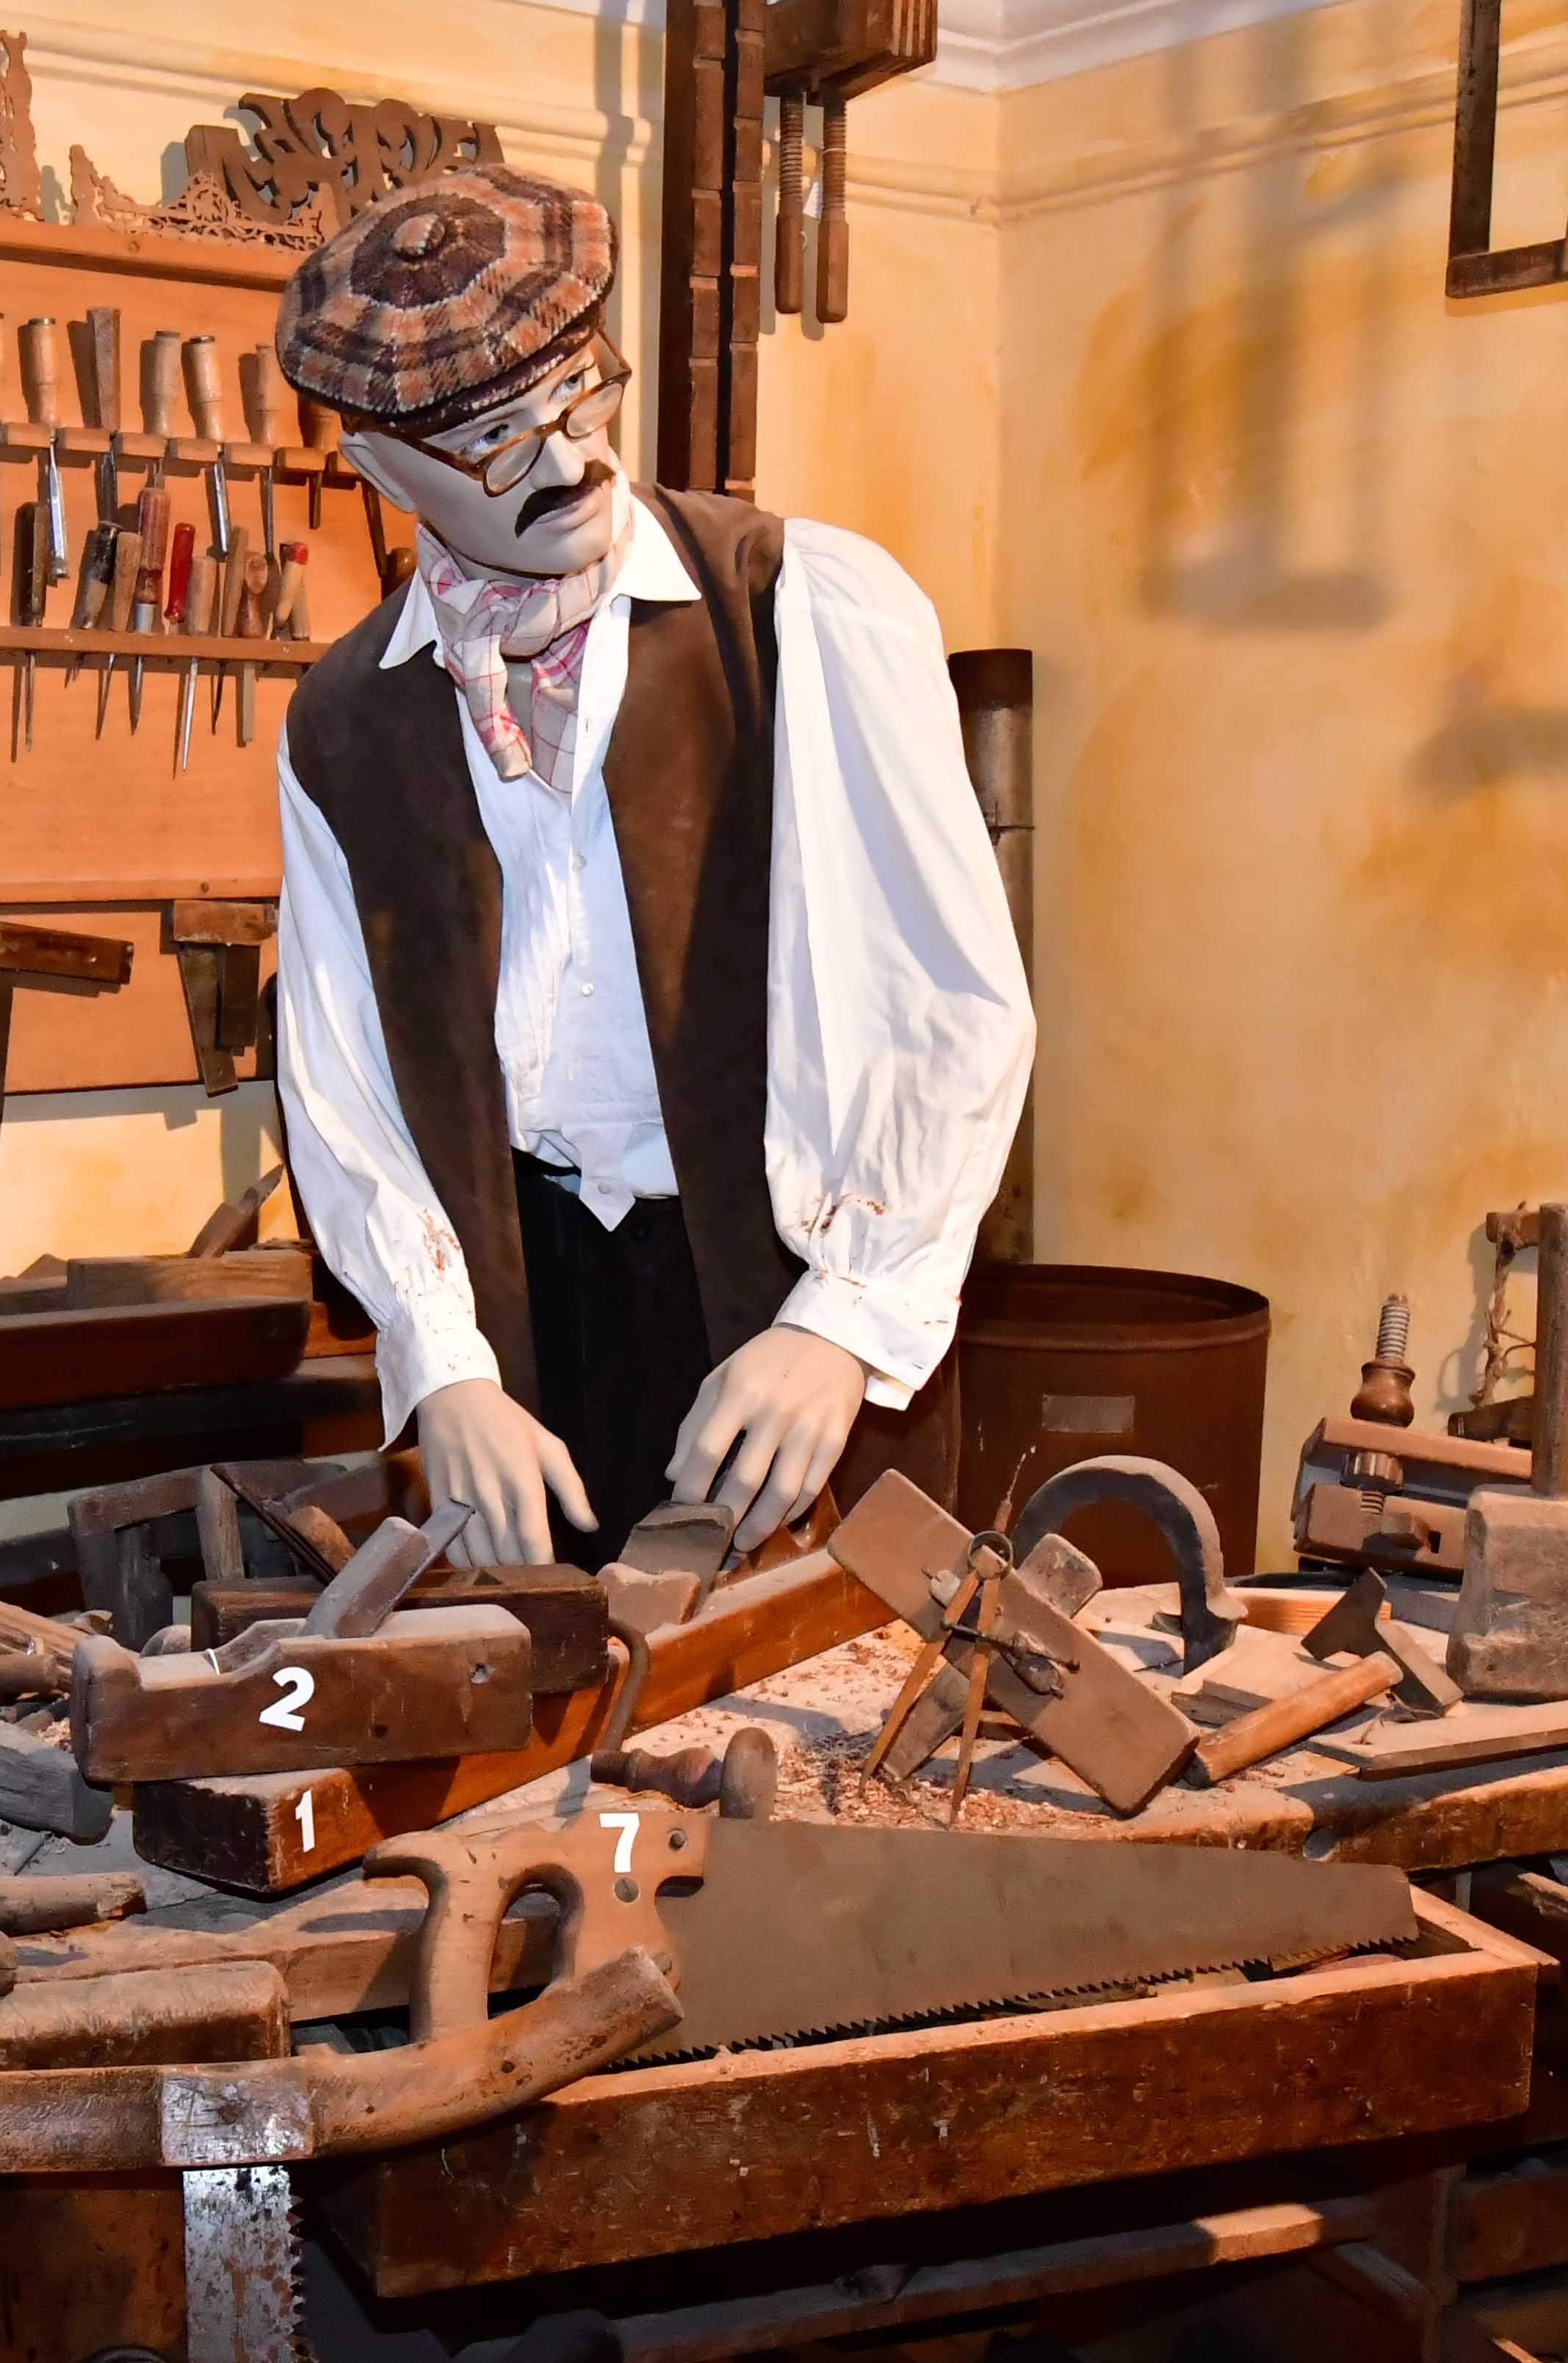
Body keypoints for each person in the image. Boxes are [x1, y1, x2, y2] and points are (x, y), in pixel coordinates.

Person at [267, 158, 1032, 1569]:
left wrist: (843, 1317)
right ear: (379, 471)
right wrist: (441, 1360)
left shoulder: (808, 610)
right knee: (561, 1684)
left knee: (827, 1684)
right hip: (529, 1324)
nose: (570, 462)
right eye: (496, 443)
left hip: (785, 1291)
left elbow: (953, 1005)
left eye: (580, 397)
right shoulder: (345, 723)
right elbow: (341, 1080)